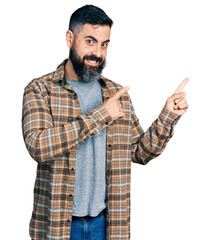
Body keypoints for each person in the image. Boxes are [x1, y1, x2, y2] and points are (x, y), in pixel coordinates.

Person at [22, 4, 189, 240]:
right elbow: (38, 146)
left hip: (108, 226)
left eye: (104, 44)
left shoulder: (116, 94)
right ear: (70, 38)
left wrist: (168, 115)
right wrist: (102, 115)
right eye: (89, 41)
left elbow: (140, 153)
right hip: (58, 226)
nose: (98, 53)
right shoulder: (40, 90)